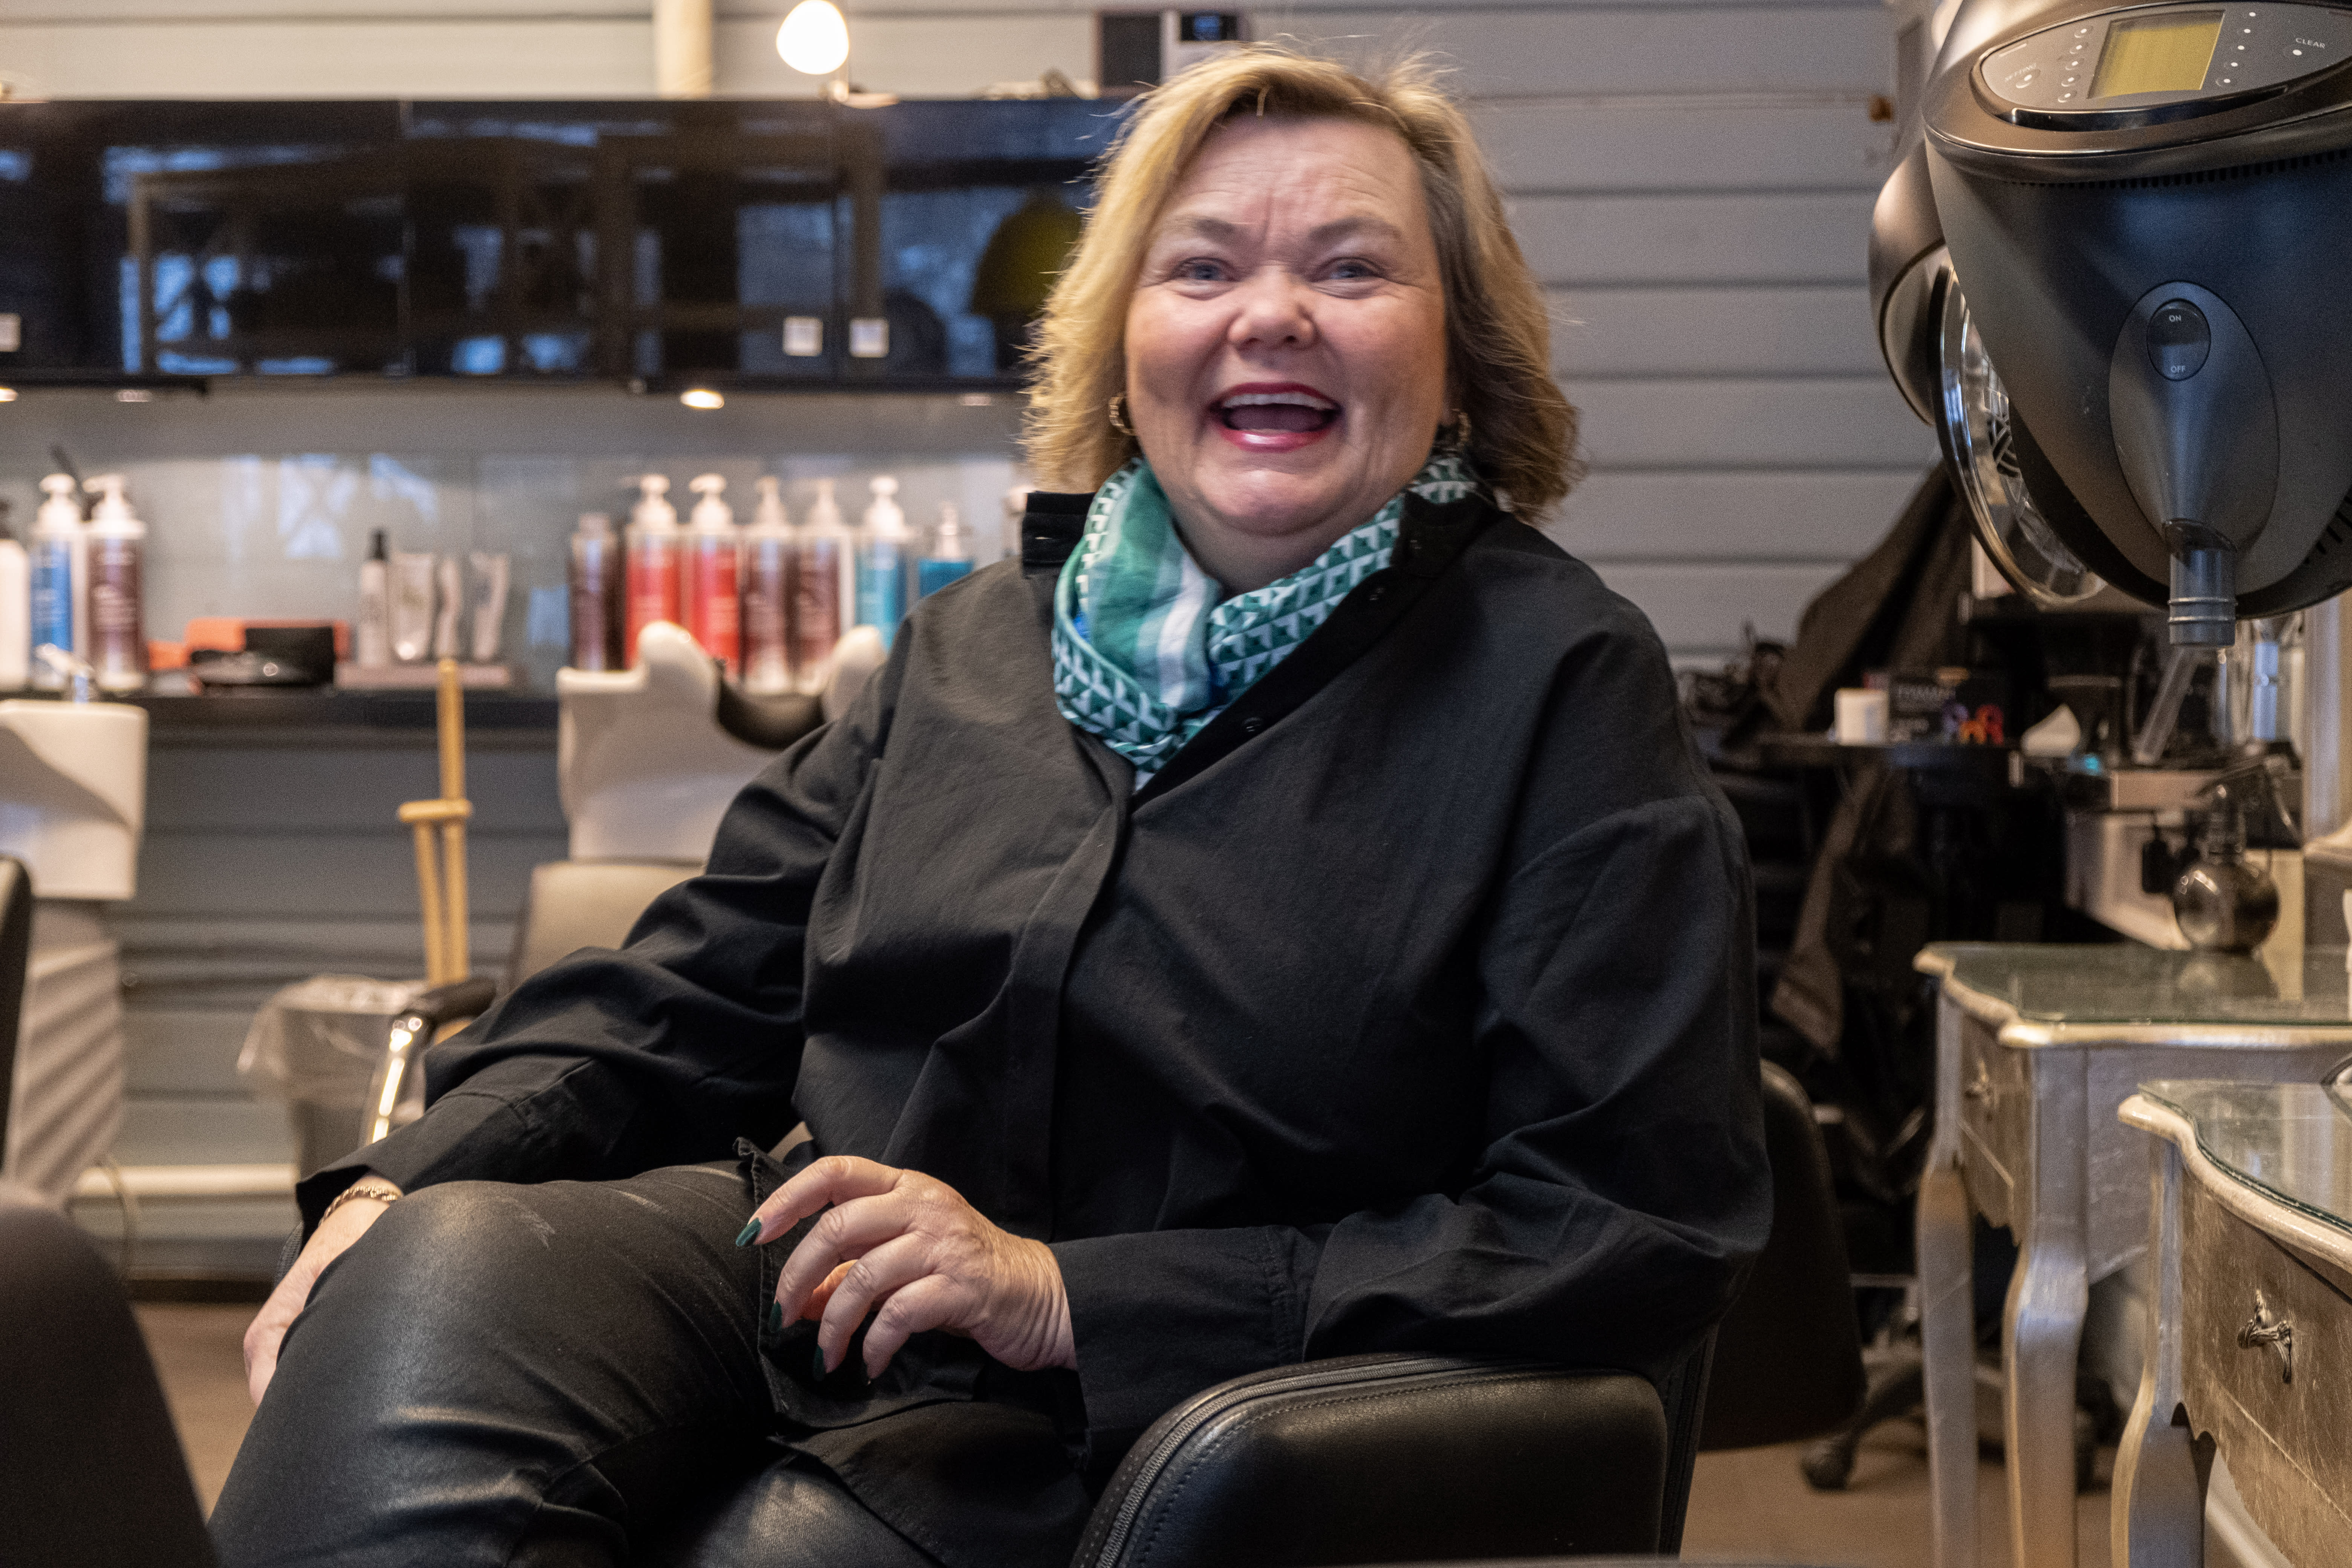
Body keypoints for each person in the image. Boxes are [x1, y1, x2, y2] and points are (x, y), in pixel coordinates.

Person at [216, 45, 1769, 1568]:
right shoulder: (976, 643)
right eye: (1202, 266)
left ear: (1461, 362)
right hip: (818, 1286)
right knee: (433, 1274)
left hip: (1163, 1418)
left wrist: (1063, 1294)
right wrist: (402, 1175)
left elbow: (1629, 1219)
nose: (1270, 314)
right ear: (1123, 349)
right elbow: (690, 983)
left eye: (1352, 269)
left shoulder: (1561, 684)